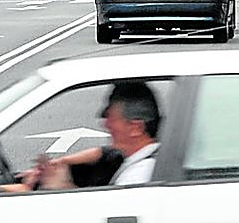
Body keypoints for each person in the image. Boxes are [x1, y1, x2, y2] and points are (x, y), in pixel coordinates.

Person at [10, 81, 161, 192]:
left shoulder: (137, 177)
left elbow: (108, 220)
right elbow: (103, 153)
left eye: (112, 119)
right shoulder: (133, 157)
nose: (105, 125)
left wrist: (61, 188)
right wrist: (57, 164)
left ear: (136, 128)